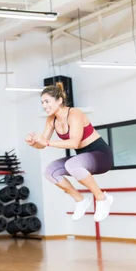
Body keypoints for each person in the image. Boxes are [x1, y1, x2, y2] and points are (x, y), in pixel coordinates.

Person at [26, 83, 114, 222]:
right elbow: (42, 144)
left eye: (47, 101)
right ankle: (80, 200)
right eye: (42, 102)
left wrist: (46, 142)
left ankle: (102, 198)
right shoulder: (51, 120)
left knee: (72, 165)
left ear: (59, 100)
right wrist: (34, 143)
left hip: (101, 156)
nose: (44, 105)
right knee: (50, 171)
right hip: (83, 158)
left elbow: (74, 143)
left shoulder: (74, 114)